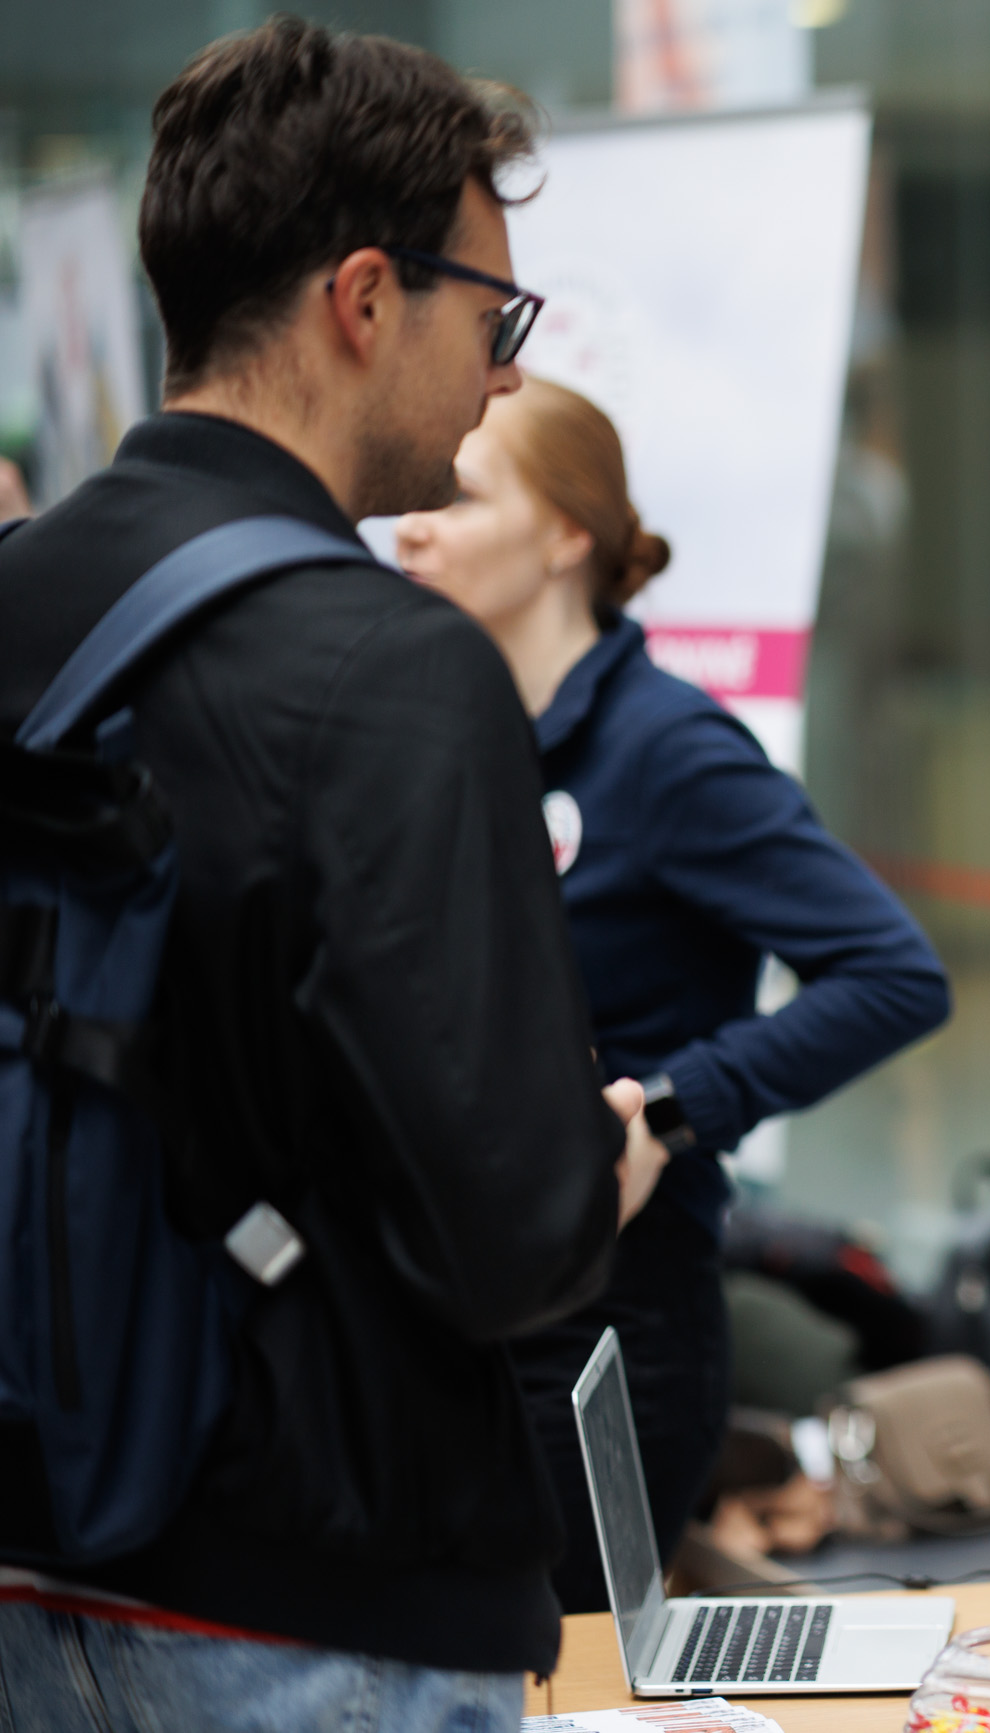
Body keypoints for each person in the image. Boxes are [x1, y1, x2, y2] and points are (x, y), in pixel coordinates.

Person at [0, 17, 662, 1728]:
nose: (504, 373)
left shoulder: (20, 601)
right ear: (365, 300)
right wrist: (607, 1159)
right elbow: (517, 1232)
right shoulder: (393, 666)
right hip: (320, 1604)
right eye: (494, 316)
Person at [391, 376, 951, 1612]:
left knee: (570, 1675)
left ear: (564, 534)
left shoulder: (666, 749)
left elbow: (894, 973)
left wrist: (669, 1110)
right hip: (449, 1312)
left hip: (607, 1331)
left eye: (457, 496)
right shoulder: (448, 734)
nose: (410, 526)